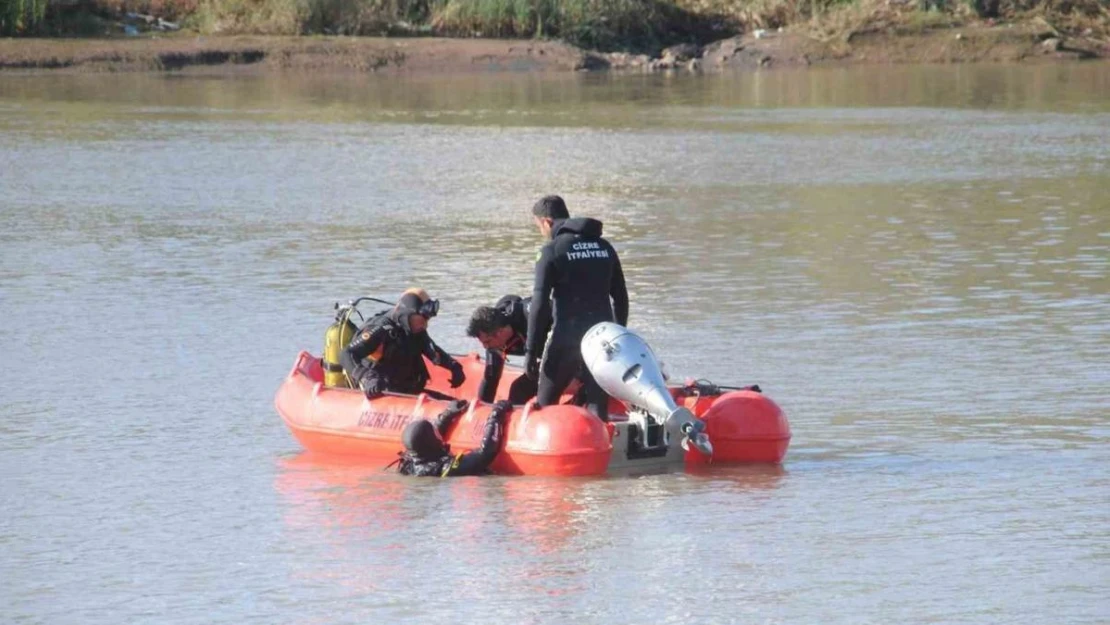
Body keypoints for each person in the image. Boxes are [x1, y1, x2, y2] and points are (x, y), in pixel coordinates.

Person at [524, 195, 629, 421]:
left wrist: (531, 350)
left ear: (547, 222)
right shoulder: (605, 247)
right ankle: (600, 449)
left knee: (544, 407)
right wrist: (619, 337)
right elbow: (620, 298)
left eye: (539, 227)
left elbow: (540, 304)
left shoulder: (551, 250)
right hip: (602, 341)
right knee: (597, 408)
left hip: (566, 339)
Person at [341, 288, 466, 398]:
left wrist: (453, 366)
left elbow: (432, 351)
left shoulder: (415, 329)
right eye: (423, 320)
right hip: (384, 395)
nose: (425, 325)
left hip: (409, 393)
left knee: (457, 406)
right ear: (409, 314)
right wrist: (366, 377)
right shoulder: (380, 329)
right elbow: (346, 353)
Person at [395, 399, 513, 477]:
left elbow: (425, 439)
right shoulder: (446, 468)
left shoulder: (409, 463)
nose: (437, 432)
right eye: (434, 432)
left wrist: (447, 415)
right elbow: (485, 453)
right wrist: (496, 415)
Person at [466, 295, 540, 404]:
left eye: (487, 342)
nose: (486, 347)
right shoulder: (494, 339)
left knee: (519, 388)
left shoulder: (530, 318)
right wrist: (481, 410)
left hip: (565, 350)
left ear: (500, 332)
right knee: (517, 389)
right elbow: (491, 378)